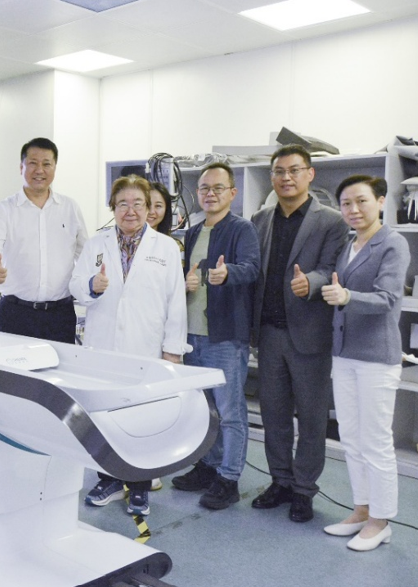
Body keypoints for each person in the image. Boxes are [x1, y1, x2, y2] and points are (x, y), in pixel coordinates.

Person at [70, 175, 188, 515]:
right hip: (104, 347)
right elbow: (75, 286)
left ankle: (139, 486)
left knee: (143, 420)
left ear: (149, 208)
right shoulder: (97, 244)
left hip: (146, 347)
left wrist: (173, 350)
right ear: (113, 207)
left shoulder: (166, 248)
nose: (130, 211)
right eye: (123, 203)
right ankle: (108, 480)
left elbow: (176, 302)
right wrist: (92, 285)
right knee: (106, 418)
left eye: (138, 203)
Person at [251, 144, 349, 522]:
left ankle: (304, 489)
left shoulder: (331, 222)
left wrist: (311, 282)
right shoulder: (260, 219)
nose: (286, 178)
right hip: (269, 333)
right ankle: (280, 481)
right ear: (272, 177)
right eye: (279, 171)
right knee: (273, 415)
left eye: (294, 170)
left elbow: (331, 268)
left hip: (309, 334)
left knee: (311, 418)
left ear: (310, 174)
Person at [320, 175, 408, 551]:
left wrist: (346, 296)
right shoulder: (348, 244)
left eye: (361, 201)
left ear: (381, 202)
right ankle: (361, 509)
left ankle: (380, 521)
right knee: (352, 438)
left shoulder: (393, 243)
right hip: (344, 354)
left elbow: (388, 298)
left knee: (375, 441)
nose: (353, 209)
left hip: (376, 358)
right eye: (346, 203)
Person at [170, 163, 260, 510]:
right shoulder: (192, 232)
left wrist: (228, 273)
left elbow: (252, 268)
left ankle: (229, 477)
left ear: (232, 193)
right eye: (205, 188)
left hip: (224, 337)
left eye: (218, 188)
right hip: (191, 335)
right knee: (205, 410)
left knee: (230, 411)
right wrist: (186, 282)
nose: (210, 194)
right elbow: (185, 276)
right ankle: (208, 466)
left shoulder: (242, 229)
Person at [0, 138, 87, 344]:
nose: (40, 170)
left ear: (55, 168)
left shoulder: (70, 208)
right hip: (16, 313)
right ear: (21, 167)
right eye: (33, 163)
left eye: (46, 164)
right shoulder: (4, 210)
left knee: (62, 365)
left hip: (60, 315)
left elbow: (85, 254)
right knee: (14, 365)